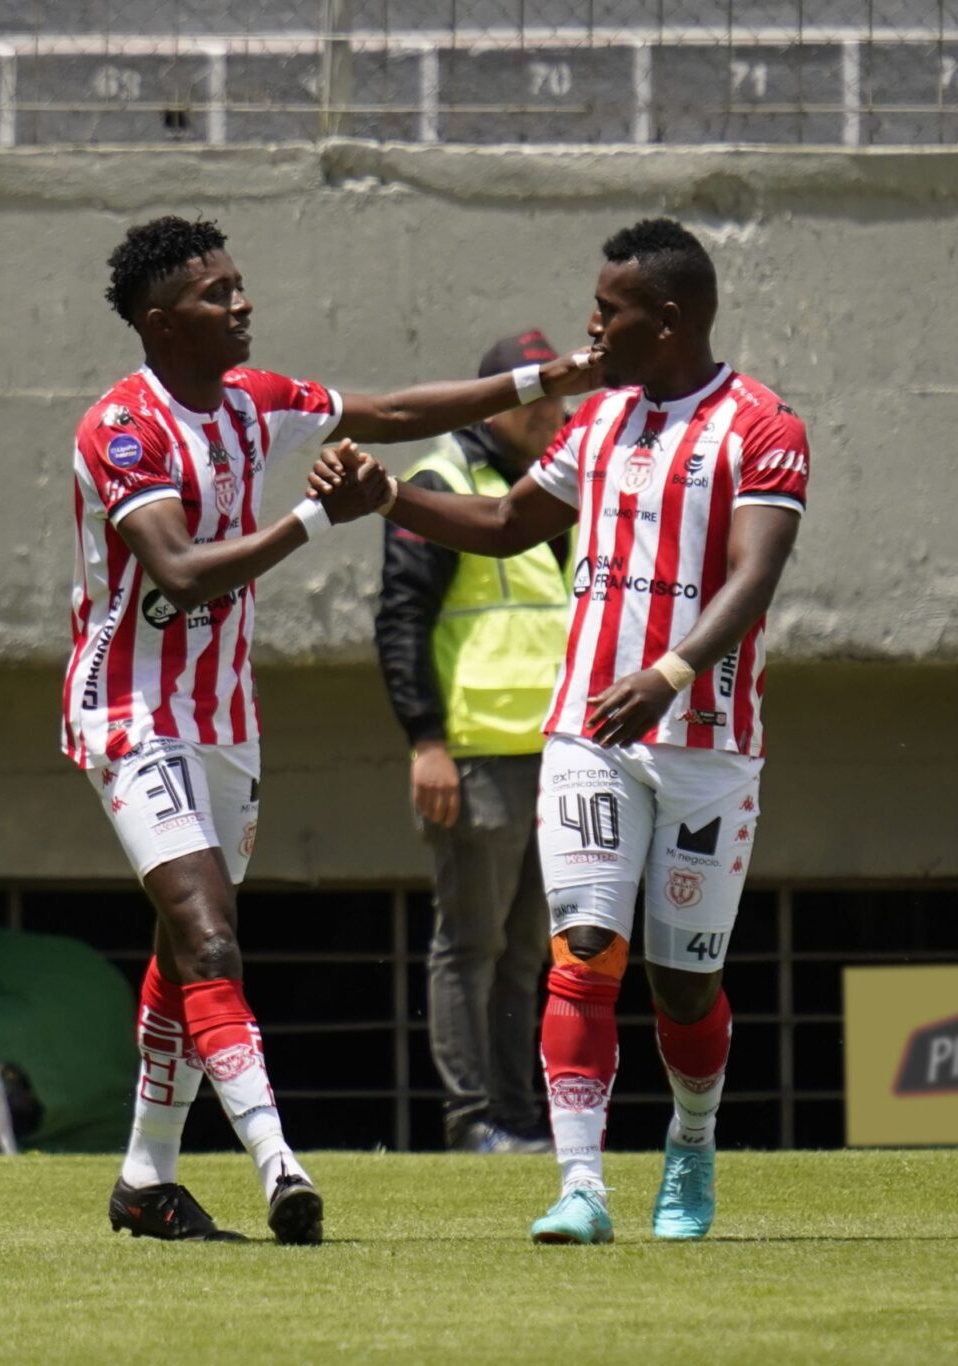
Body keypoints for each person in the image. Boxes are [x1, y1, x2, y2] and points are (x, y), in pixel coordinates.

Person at [70, 216, 601, 1245]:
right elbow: (179, 574)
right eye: (216, 293)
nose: (241, 303)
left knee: (186, 949)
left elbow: (394, 410)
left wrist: (551, 378)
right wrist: (318, 519)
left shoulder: (254, 401)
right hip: (131, 715)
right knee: (211, 934)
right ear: (161, 323)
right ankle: (279, 1163)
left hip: (224, 721)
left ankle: (144, 1179)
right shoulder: (122, 429)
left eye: (238, 283)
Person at [313, 218, 809, 1244]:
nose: (591, 327)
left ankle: (691, 1142)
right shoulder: (598, 421)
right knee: (582, 952)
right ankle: (580, 1184)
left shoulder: (761, 427)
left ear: (665, 318)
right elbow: (505, 525)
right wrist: (388, 496)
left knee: (684, 987)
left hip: (706, 742)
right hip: (589, 732)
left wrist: (670, 674)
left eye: (607, 310)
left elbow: (754, 576)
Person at [373, 330, 572, 1155]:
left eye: (558, 399)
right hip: (476, 754)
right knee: (471, 946)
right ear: (497, 404)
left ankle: (519, 1120)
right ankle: (473, 1122)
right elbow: (401, 619)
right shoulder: (443, 482)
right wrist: (427, 743)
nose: (552, 414)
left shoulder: (560, 480)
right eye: (535, 400)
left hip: (556, 752)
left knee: (527, 951)